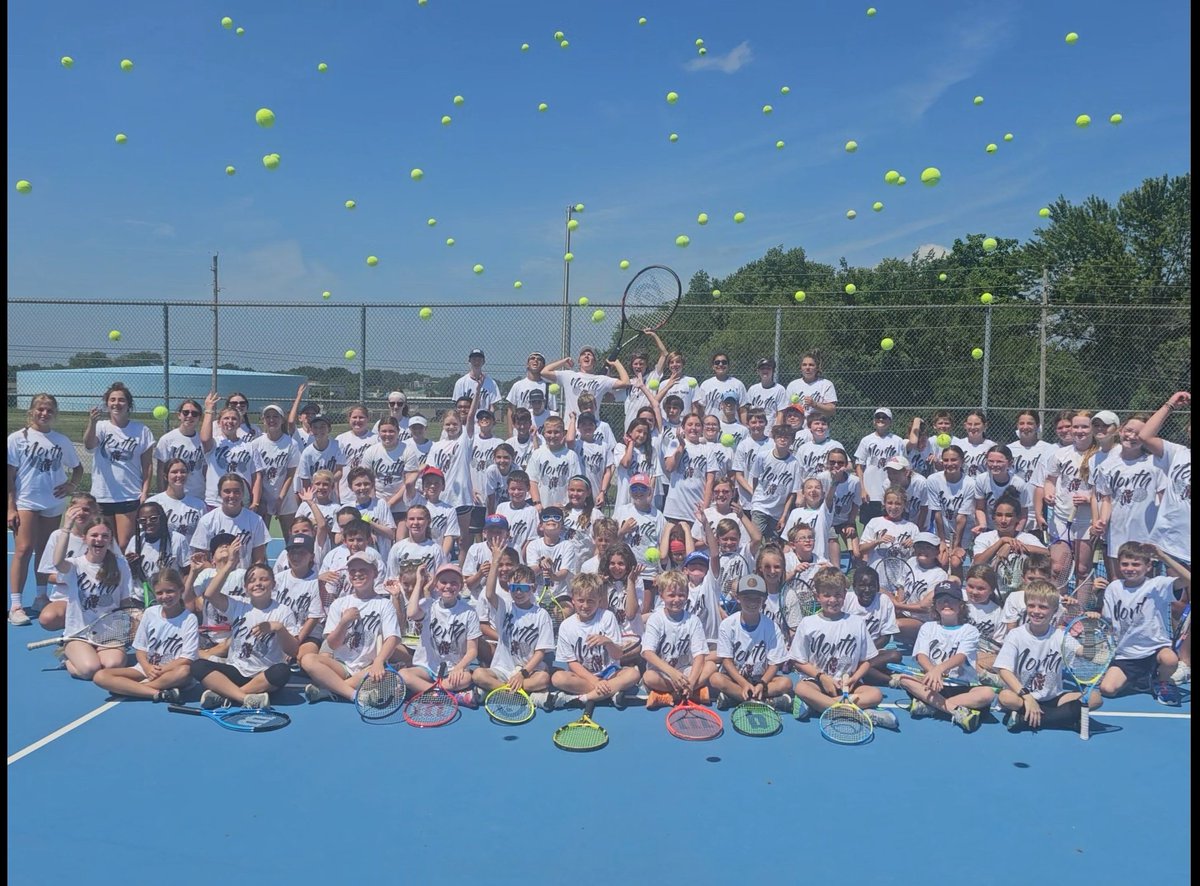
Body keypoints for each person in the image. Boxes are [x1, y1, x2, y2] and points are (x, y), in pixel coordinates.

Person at [789, 567, 897, 728]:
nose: (833, 600)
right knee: (801, 688)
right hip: (817, 682)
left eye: (838, 595)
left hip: (848, 685)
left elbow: (867, 660)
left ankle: (817, 705)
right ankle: (860, 715)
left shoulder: (857, 623)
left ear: (845, 595)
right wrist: (822, 677)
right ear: (817, 596)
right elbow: (798, 661)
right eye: (826, 595)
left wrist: (854, 678)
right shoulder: (808, 623)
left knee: (875, 694)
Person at [8, 393, 83, 624]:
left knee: (44, 551)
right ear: (31, 411)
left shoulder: (60, 440)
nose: (44, 413)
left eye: (49, 410)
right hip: (26, 501)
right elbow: (9, 476)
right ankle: (16, 604)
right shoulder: (17, 439)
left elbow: (78, 468)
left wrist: (71, 485)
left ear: (54, 414)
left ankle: (41, 596)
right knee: (24, 549)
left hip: (53, 502)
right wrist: (10, 507)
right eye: (40, 409)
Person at [994, 579, 1100, 732]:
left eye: (1043, 607)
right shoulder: (1016, 635)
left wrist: (1089, 628)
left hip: (1053, 697)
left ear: (1054, 610)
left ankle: (1028, 719)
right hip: (1023, 697)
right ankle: (1064, 719)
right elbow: (1004, 670)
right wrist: (1028, 697)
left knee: (1095, 697)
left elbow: (1088, 654)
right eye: (1031, 605)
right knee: (1005, 697)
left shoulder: (1059, 635)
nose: (1036, 611)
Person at [49, 507, 137, 680]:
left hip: (109, 632)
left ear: (111, 539)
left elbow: (126, 600)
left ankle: (88, 656)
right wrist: (66, 528)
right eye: (94, 535)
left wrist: (133, 623)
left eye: (105, 536)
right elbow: (57, 562)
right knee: (90, 670)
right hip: (78, 634)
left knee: (112, 665)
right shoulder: (75, 565)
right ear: (85, 538)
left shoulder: (121, 564)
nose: (99, 539)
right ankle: (67, 657)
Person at [894, 584, 996, 732]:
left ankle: (933, 707)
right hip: (932, 685)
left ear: (961, 605)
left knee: (988, 693)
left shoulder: (969, 630)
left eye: (951, 600)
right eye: (941, 600)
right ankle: (957, 710)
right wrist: (933, 672)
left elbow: (961, 657)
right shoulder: (927, 627)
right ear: (935, 605)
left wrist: (939, 670)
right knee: (904, 679)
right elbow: (921, 655)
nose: (946, 604)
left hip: (961, 687)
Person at [302, 552, 402, 703]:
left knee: (385, 674)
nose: (357, 574)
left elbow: (392, 638)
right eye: (353, 571)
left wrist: (379, 661)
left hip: (368, 667)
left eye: (363, 570)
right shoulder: (339, 604)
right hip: (341, 666)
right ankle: (354, 695)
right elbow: (333, 644)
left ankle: (330, 689)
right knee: (308, 659)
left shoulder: (384, 604)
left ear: (374, 573)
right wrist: (344, 622)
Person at [1099, 542, 1190, 705]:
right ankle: (1140, 680)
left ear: (1148, 566)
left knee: (1170, 660)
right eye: (1125, 564)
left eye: (1136, 564)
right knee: (1107, 690)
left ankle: (1161, 680)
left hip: (1154, 650)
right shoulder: (1114, 588)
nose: (1130, 568)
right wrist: (1095, 597)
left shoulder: (1158, 585)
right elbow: (1107, 620)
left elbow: (1188, 579)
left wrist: (1162, 556)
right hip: (1126, 654)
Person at [92, 568, 197, 703]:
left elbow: (186, 658)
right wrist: (148, 668)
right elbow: (140, 649)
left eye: (170, 591)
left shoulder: (189, 619)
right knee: (100, 676)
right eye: (159, 593)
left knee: (185, 671)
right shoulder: (150, 613)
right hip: (146, 669)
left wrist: (161, 670)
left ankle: (134, 689)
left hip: (171, 671)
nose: (165, 596)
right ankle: (157, 693)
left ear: (181, 590)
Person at [473, 541, 556, 709]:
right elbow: (489, 593)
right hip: (504, 668)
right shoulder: (504, 608)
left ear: (532, 588)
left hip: (528, 670)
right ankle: (516, 693)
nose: (518, 592)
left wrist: (522, 674)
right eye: (514, 587)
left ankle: (499, 691)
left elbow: (540, 652)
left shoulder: (541, 615)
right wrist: (495, 561)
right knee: (478, 674)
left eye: (523, 588)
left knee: (543, 678)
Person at [551, 573, 642, 707]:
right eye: (581, 600)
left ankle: (583, 698)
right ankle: (610, 692)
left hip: (610, 673)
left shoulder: (607, 617)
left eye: (591, 601)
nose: (585, 605)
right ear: (573, 600)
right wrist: (595, 681)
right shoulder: (566, 626)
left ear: (599, 600)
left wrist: (607, 642)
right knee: (557, 678)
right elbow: (572, 663)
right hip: (584, 677)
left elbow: (618, 655)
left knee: (633, 674)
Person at [84, 381, 155, 550]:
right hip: (103, 495)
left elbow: (148, 465)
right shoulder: (100, 427)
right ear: (107, 404)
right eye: (112, 400)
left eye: (121, 400)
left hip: (129, 495)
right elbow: (89, 445)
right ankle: (105, 576)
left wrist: (144, 491)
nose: (117, 403)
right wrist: (92, 423)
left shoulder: (141, 430)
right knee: (104, 543)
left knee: (123, 545)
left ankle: (123, 576)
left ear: (129, 404)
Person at [399, 562, 481, 705]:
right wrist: (419, 581)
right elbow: (411, 613)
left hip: (452, 670)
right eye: (443, 582)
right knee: (404, 675)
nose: (448, 586)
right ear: (436, 586)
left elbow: (472, 650)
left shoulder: (469, 612)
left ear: (461, 586)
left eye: (454, 582)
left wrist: (459, 667)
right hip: (427, 668)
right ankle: (448, 696)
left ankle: (426, 691)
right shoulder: (429, 605)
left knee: (466, 678)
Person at [1093, 416, 1165, 576]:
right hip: (1117, 535)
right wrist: (1102, 520)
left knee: (1148, 587)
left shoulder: (1156, 464)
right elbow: (1106, 499)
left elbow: (1164, 499)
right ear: (1120, 430)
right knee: (1118, 583)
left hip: (1147, 537)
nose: (1132, 436)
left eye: (1138, 434)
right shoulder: (1106, 465)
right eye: (1129, 431)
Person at [1038, 411, 1101, 586]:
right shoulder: (1060, 454)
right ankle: (1058, 608)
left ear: (1093, 429)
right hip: (1061, 518)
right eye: (1076, 426)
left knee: (1082, 569)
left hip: (1087, 521)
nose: (1080, 431)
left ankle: (1080, 611)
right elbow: (1050, 480)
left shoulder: (1101, 455)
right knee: (1058, 568)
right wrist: (1048, 493)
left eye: (1085, 427)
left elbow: (1106, 492)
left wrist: (1089, 498)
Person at [712, 574, 793, 710]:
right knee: (715, 678)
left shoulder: (771, 627)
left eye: (757, 599)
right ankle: (765, 702)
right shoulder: (727, 625)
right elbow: (726, 660)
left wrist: (762, 683)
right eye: (747, 598)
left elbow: (774, 664)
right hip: (736, 679)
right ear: (737, 598)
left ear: (764, 600)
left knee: (786, 683)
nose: (752, 603)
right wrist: (743, 683)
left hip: (760, 678)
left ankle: (737, 698)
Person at [642, 570, 717, 708]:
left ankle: (673, 695)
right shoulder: (656, 619)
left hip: (686, 673)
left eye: (681, 595)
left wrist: (692, 683)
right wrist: (672, 673)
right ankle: (691, 694)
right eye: (671, 595)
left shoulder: (693, 620)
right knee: (648, 677)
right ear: (661, 595)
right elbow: (647, 653)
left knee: (711, 666)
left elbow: (699, 656)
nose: (677, 600)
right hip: (663, 673)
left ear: (687, 595)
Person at [1137, 391, 1191, 571]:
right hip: (1173, 544)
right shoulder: (1178, 453)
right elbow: (1144, 436)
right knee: (1174, 599)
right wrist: (1170, 404)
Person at [35, 492, 99, 631]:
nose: (81, 513)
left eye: (87, 510)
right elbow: (48, 575)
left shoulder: (101, 536)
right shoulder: (57, 536)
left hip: (96, 595)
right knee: (47, 619)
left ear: (95, 513)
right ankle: (74, 622)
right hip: (65, 597)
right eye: (76, 509)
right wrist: (75, 579)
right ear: (69, 510)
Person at [429, 383, 481, 547]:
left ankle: (462, 569)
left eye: (455, 424)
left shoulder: (465, 440)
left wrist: (478, 391)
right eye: (448, 424)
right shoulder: (436, 446)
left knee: (463, 538)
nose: (451, 427)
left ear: (461, 425)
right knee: (441, 536)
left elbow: (471, 415)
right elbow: (431, 471)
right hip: (443, 497)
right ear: (442, 426)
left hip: (461, 498)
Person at [190, 474, 269, 569]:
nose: (232, 496)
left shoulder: (256, 520)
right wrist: (219, 577)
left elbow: (259, 558)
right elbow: (202, 558)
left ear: (243, 493)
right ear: (219, 493)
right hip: (216, 579)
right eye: (227, 491)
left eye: (236, 491)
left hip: (244, 579)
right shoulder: (207, 521)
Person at [842, 566, 901, 685]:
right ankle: (891, 681)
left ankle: (860, 672)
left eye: (871, 585)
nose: (867, 590)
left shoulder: (884, 601)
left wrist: (866, 652)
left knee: (895, 656)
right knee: (853, 664)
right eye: (862, 586)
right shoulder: (846, 600)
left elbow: (886, 636)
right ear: (854, 587)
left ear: (878, 587)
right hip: (847, 651)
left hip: (873, 652)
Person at [199, 391, 258, 511]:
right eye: (226, 418)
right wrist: (209, 410)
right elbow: (204, 439)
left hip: (240, 502)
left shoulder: (249, 446)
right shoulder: (214, 443)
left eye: (234, 419)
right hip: (215, 502)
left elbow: (256, 476)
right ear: (219, 423)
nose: (230, 421)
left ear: (239, 423)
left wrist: (255, 502)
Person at [663, 413, 716, 543]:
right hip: (675, 508)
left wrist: (706, 506)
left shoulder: (708, 449)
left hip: (696, 508)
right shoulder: (675, 443)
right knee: (676, 548)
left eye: (697, 425)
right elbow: (669, 467)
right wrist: (681, 446)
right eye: (690, 424)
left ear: (702, 428)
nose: (693, 428)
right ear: (683, 427)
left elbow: (710, 480)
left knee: (696, 545)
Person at [250, 404, 301, 537]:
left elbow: (290, 474)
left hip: (285, 497)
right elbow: (256, 474)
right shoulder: (256, 444)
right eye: (268, 417)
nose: (271, 420)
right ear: (263, 420)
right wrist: (259, 500)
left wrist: (280, 498)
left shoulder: (291, 444)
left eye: (275, 416)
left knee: (291, 537)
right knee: (260, 539)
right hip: (263, 497)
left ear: (282, 419)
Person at [541, 346, 631, 418]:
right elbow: (544, 372)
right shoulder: (569, 375)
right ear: (579, 361)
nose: (586, 356)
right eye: (583, 354)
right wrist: (563, 361)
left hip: (592, 428)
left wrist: (617, 364)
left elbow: (626, 383)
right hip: (571, 427)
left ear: (594, 361)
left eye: (589, 354)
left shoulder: (601, 379)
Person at [747, 423, 800, 541]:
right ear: (774, 439)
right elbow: (755, 478)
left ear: (791, 441)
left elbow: (793, 492)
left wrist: (784, 515)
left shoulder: (794, 463)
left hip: (777, 510)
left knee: (773, 544)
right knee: (756, 539)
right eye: (779, 437)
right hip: (760, 505)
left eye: (786, 437)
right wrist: (757, 497)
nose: (782, 440)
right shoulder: (763, 457)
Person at [613, 473, 665, 589]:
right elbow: (611, 541)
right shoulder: (622, 511)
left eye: (642, 488)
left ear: (649, 491)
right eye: (634, 488)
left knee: (646, 607)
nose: (638, 492)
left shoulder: (658, 515)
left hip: (649, 573)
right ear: (630, 491)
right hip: (624, 571)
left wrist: (660, 572)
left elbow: (662, 545)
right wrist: (622, 531)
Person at [927, 445, 974, 577]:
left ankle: (957, 589)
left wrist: (956, 545)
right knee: (942, 560)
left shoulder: (969, 483)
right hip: (943, 528)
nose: (949, 464)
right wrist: (942, 541)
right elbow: (936, 513)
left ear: (962, 461)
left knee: (955, 562)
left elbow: (961, 517)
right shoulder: (933, 480)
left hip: (964, 530)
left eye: (954, 460)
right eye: (946, 460)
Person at [854, 407, 906, 525]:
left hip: (891, 492)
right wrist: (862, 489)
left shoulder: (897, 441)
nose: (881, 419)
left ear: (890, 421)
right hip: (870, 492)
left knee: (891, 525)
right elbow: (859, 465)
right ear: (873, 421)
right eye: (878, 417)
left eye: (884, 417)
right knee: (869, 526)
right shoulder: (866, 440)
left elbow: (903, 466)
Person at [125, 501, 189, 592]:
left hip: (169, 597)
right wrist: (131, 566)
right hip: (141, 597)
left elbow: (187, 572)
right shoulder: (135, 541)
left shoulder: (177, 539)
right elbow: (128, 575)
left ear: (162, 518)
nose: (148, 522)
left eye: (153, 518)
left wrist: (180, 593)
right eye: (142, 520)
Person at [154, 399, 206, 502]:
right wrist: (162, 496)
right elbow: (161, 471)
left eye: (194, 413)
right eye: (186, 412)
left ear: (199, 417)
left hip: (198, 495)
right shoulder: (167, 439)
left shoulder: (203, 440)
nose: (190, 416)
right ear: (179, 415)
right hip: (174, 496)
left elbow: (205, 470)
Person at [365, 416, 410, 524]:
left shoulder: (407, 450)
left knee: (400, 539)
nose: (387, 434)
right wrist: (375, 503)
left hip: (402, 506)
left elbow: (408, 482)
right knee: (371, 533)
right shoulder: (371, 451)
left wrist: (389, 504)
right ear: (378, 432)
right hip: (375, 505)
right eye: (384, 431)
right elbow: (366, 480)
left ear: (398, 432)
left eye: (391, 431)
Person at [150, 458, 205, 545]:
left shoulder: (199, 505)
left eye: (183, 472)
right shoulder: (153, 503)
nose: (179, 475)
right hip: (164, 555)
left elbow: (203, 537)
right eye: (174, 472)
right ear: (165, 476)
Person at [345, 466, 396, 561]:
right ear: (350, 486)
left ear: (372, 485)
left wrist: (369, 522)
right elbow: (340, 537)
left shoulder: (380, 504)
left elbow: (391, 534)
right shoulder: (347, 509)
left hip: (381, 558)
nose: (363, 487)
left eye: (366, 484)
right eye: (358, 484)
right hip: (356, 560)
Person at [386, 503, 449, 579]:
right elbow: (392, 577)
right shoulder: (397, 548)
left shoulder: (436, 549)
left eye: (420, 519)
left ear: (428, 521)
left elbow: (441, 578)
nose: (415, 523)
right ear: (406, 522)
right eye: (412, 519)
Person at [821, 447, 861, 567]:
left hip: (845, 520)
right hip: (829, 521)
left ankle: (856, 572)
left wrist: (850, 523)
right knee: (832, 539)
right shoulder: (822, 478)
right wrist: (834, 481)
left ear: (846, 464)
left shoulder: (854, 481)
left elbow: (856, 503)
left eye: (840, 462)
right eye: (832, 462)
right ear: (827, 463)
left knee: (857, 553)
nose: (836, 465)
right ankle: (836, 568)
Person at [410, 467, 459, 560]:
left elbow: (449, 536)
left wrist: (441, 558)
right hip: (416, 555)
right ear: (423, 486)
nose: (432, 486)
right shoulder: (416, 501)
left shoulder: (449, 510)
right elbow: (409, 484)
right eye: (428, 483)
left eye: (436, 483)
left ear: (443, 486)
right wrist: (419, 470)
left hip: (439, 556)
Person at [567, 412, 614, 505]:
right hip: (578, 494)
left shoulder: (604, 446)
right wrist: (573, 419)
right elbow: (569, 440)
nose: (587, 427)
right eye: (583, 424)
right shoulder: (576, 445)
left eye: (590, 424)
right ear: (578, 428)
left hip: (596, 493)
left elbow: (607, 471)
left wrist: (602, 492)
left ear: (595, 427)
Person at [335, 404, 378, 505]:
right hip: (345, 494)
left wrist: (373, 494)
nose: (358, 420)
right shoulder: (340, 439)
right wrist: (337, 496)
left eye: (361, 417)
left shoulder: (375, 439)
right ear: (349, 419)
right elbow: (336, 470)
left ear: (367, 419)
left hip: (368, 493)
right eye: (354, 417)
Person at [494, 470, 538, 555]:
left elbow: (531, 539)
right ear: (508, 489)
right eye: (513, 489)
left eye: (520, 489)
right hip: (501, 555)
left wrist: (519, 558)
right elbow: (496, 534)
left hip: (521, 557)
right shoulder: (501, 507)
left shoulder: (532, 511)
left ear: (528, 489)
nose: (516, 492)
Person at [562, 476, 604, 564]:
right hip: (563, 565)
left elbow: (600, 542)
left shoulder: (595, 514)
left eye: (579, 490)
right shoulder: (561, 511)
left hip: (584, 564)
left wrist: (592, 565)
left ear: (588, 492)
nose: (575, 493)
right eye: (572, 490)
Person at [785, 352, 837, 420]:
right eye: (804, 365)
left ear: (817, 368)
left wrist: (814, 404)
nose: (807, 367)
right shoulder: (793, 385)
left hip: (818, 427)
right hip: (797, 428)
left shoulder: (826, 384)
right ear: (800, 368)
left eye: (811, 365)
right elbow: (785, 410)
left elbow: (832, 410)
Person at [696, 351, 747, 416]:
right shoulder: (705, 384)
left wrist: (744, 425)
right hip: (711, 425)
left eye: (724, 362)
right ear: (713, 366)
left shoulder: (738, 384)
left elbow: (742, 411)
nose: (720, 364)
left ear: (728, 365)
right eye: (717, 362)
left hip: (731, 424)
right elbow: (701, 410)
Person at [454, 348, 503, 413]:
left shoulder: (491, 383)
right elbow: (458, 406)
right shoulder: (461, 382)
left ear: (483, 362)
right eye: (474, 359)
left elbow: (492, 406)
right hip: (466, 420)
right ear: (469, 361)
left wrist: (489, 418)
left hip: (483, 419)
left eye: (479, 359)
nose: (476, 362)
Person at [954, 410, 996, 480]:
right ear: (965, 425)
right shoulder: (958, 445)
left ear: (985, 426)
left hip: (983, 486)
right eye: (969, 424)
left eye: (977, 424)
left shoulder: (992, 446)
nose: (973, 427)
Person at [745, 357, 789, 425]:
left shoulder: (780, 390)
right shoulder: (752, 389)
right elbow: (748, 411)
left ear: (773, 371)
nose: (765, 371)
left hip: (771, 429)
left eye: (768, 368)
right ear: (758, 371)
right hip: (755, 428)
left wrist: (775, 430)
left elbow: (781, 413)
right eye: (762, 368)